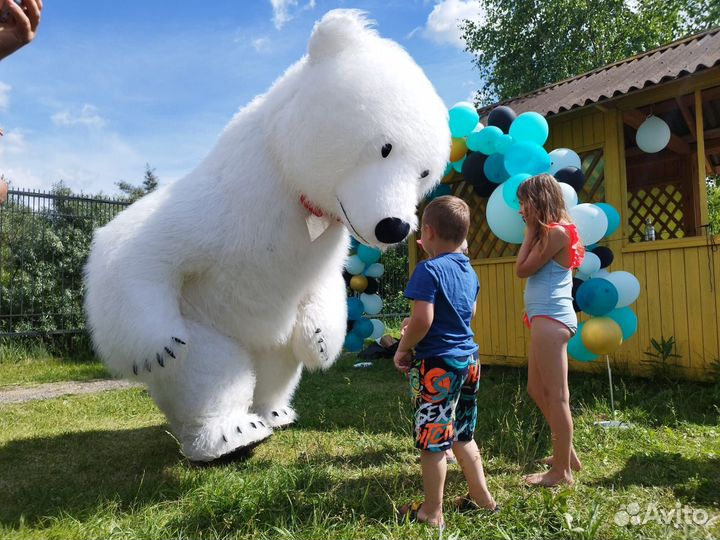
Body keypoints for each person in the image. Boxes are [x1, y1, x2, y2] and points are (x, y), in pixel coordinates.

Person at [394, 195, 496, 528]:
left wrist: (403, 347)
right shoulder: (469, 271)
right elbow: (470, 314)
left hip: (439, 365)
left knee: (433, 442)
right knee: (463, 435)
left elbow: (423, 319)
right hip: (469, 361)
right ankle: (483, 499)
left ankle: (431, 511)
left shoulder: (428, 269)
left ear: (428, 231)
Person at [515, 173, 585, 487]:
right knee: (536, 389)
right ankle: (565, 455)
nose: (521, 210)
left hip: (553, 320)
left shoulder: (556, 233)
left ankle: (562, 473)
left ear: (539, 200)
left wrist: (529, 230)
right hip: (544, 319)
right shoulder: (550, 233)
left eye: (524, 203)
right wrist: (531, 229)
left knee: (557, 397)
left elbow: (522, 269)